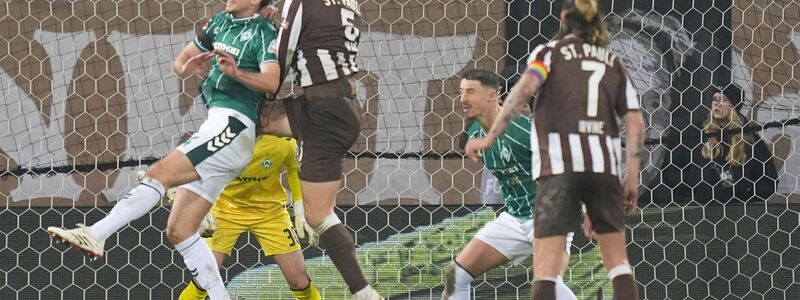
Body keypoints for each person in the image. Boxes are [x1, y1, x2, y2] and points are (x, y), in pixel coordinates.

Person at [47, 1, 280, 299]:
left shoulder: (263, 31)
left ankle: (96, 233)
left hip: (233, 124)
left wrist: (237, 73)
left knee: (158, 173)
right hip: (217, 124)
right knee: (180, 230)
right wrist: (187, 67)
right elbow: (181, 60)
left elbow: (271, 80)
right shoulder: (219, 23)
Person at [465, 0, 645, 299]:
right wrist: (630, 180)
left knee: (546, 273)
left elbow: (522, 90)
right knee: (619, 266)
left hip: (558, 169)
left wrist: (488, 138)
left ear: (563, 19)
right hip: (602, 169)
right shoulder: (612, 62)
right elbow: (637, 125)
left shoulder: (549, 54)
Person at [257, 0, 384, 299]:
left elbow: (284, 54)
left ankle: (364, 293)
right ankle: (195, 186)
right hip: (332, 105)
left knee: (319, 215)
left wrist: (264, 86)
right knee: (245, 119)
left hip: (324, 114)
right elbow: (318, 38)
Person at [442, 69, 577, 300]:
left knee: (547, 284)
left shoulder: (525, 130)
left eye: (470, 92)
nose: (462, 99)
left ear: (492, 95)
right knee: (456, 275)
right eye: (461, 92)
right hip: (515, 218)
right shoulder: (474, 133)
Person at [177, 134, 321, 300]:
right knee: (204, 278)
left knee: (298, 279)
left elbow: (294, 167)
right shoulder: (220, 139)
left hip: (270, 212)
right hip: (224, 210)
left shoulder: (282, 141)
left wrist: (300, 207)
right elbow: (196, 169)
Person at [690, 85, 778, 203]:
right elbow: (671, 172)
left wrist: (744, 188)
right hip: (698, 209)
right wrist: (693, 182)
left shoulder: (751, 141)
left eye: (724, 100)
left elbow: (769, 183)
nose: (717, 104)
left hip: (736, 212)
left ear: (734, 106)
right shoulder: (694, 134)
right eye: (715, 99)